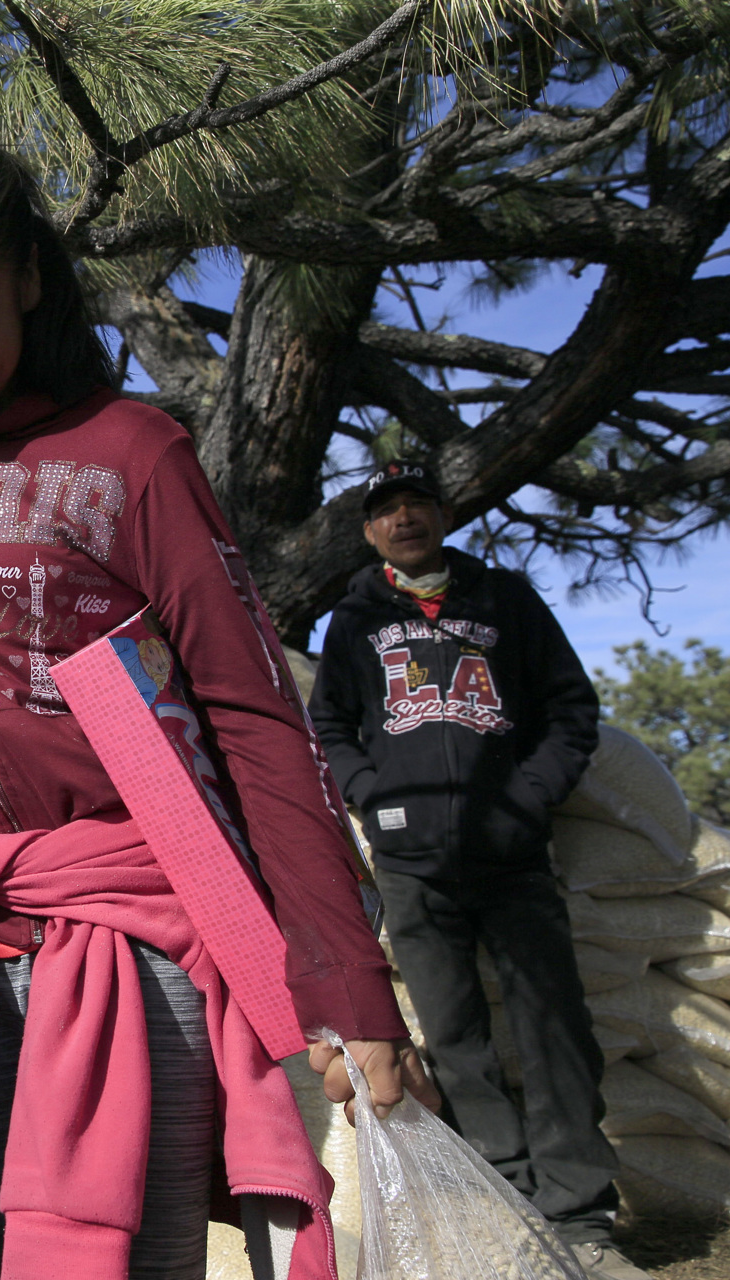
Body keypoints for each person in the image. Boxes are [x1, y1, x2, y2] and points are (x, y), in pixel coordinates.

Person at [0, 133, 432, 1280]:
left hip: (145, 945)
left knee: (135, 1256)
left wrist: (345, 980)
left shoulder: (129, 452)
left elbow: (250, 717)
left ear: (30, 280)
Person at [307, 461, 641, 1277]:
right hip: (412, 864)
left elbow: (571, 708)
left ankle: (582, 1214)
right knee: (455, 1037)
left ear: (443, 514)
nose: (404, 518)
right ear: (367, 531)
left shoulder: (507, 599)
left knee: (555, 1029)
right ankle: (513, 1199)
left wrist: (529, 795)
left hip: (514, 854)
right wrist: (371, 797)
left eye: (417, 502)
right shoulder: (353, 621)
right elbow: (331, 724)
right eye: (386, 510)